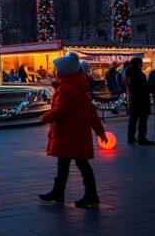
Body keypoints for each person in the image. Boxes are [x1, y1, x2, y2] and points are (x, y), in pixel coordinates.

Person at [39, 53, 107, 208]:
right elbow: (91, 113)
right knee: (74, 165)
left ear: (63, 72)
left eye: (56, 69)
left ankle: (86, 195)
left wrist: (45, 117)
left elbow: (61, 110)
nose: (55, 71)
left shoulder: (66, 89)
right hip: (78, 134)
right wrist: (100, 131)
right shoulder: (79, 88)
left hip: (68, 134)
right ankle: (64, 193)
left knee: (71, 165)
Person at [124, 58, 154, 145]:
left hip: (131, 100)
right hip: (141, 101)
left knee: (132, 120)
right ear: (138, 64)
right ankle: (142, 139)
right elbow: (144, 88)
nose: (142, 65)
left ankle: (130, 137)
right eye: (141, 63)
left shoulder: (126, 74)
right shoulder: (139, 74)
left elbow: (124, 85)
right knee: (142, 121)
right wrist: (151, 86)